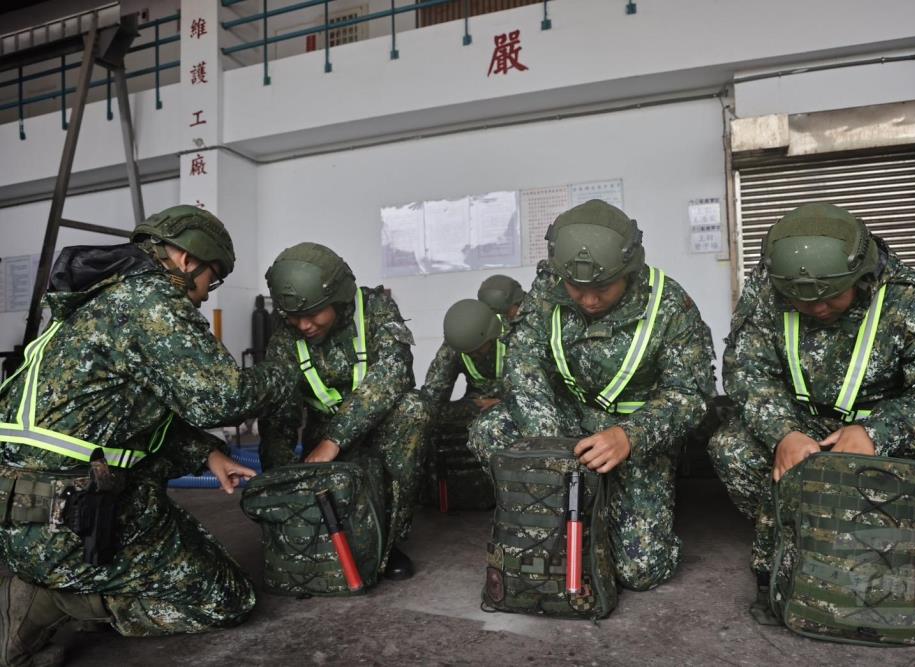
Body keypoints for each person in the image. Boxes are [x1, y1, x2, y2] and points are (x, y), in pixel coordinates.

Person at [0, 205, 297, 663]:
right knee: (225, 599)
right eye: (211, 280)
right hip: (71, 518)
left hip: (23, 513)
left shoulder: (101, 298)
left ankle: (60, 583)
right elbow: (222, 400)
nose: (205, 296)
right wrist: (285, 368)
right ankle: (55, 598)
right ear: (186, 260)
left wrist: (208, 455)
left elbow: (126, 413)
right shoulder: (151, 301)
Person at [708, 202, 915, 623]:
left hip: (883, 430)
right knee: (732, 446)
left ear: (860, 275)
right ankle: (789, 546)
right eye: (799, 299)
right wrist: (784, 433)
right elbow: (747, 368)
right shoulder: (769, 288)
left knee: (869, 566)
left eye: (830, 297)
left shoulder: (911, 299)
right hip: (799, 423)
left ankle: (857, 557)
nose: (815, 308)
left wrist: (877, 432)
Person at [468, 199, 716, 590]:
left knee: (640, 572)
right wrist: (548, 449)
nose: (588, 300)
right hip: (566, 425)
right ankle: (547, 516)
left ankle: (607, 514)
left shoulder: (669, 306)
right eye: (577, 288)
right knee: (491, 429)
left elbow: (691, 394)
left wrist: (629, 437)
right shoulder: (548, 290)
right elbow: (524, 363)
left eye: (602, 288)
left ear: (629, 271)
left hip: (631, 436)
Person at [259, 242, 427, 580]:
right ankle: (312, 538)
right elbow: (279, 411)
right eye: (294, 317)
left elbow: (393, 375)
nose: (303, 325)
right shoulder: (284, 338)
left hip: (376, 426)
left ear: (338, 298)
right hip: (321, 436)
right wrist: (281, 492)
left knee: (414, 408)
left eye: (312, 314)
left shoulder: (376, 309)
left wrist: (335, 439)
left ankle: (388, 541)